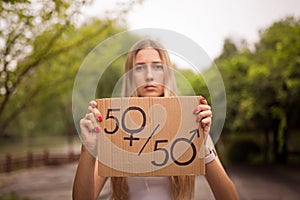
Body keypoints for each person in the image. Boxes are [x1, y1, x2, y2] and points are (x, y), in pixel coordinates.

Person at [72, 39, 238, 200]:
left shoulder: (190, 122)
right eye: (139, 68)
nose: (149, 76)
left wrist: (203, 145)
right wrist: (88, 148)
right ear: (129, 76)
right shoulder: (113, 126)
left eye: (158, 67)